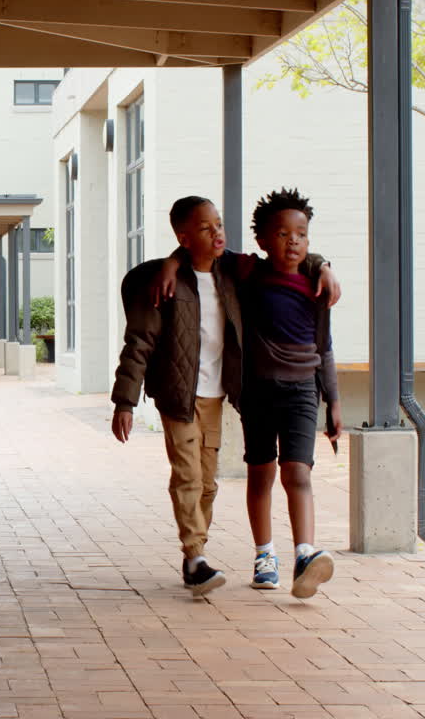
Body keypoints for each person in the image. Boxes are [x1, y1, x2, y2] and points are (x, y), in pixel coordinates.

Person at [111, 196, 338, 597]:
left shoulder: (233, 273)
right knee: (189, 475)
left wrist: (323, 265)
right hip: (179, 393)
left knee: (208, 484)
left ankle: (195, 556)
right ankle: (197, 556)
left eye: (218, 224)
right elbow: (139, 341)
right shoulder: (168, 282)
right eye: (205, 228)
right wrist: (125, 400)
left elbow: (289, 256)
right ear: (184, 237)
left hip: (217, 393)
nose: (217, 233)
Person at [237, 188, 342, 598]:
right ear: (263, 240)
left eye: (301, 234)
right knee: (260, 474)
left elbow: (325, 348)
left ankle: (304, 554)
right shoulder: (249, 275)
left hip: (302, 390)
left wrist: (334, 401)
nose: (293, 240)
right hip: (258, 392)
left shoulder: (316, 286)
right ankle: (265, 555)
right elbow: (206, 256)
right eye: (282, 233)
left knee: (297, 472)